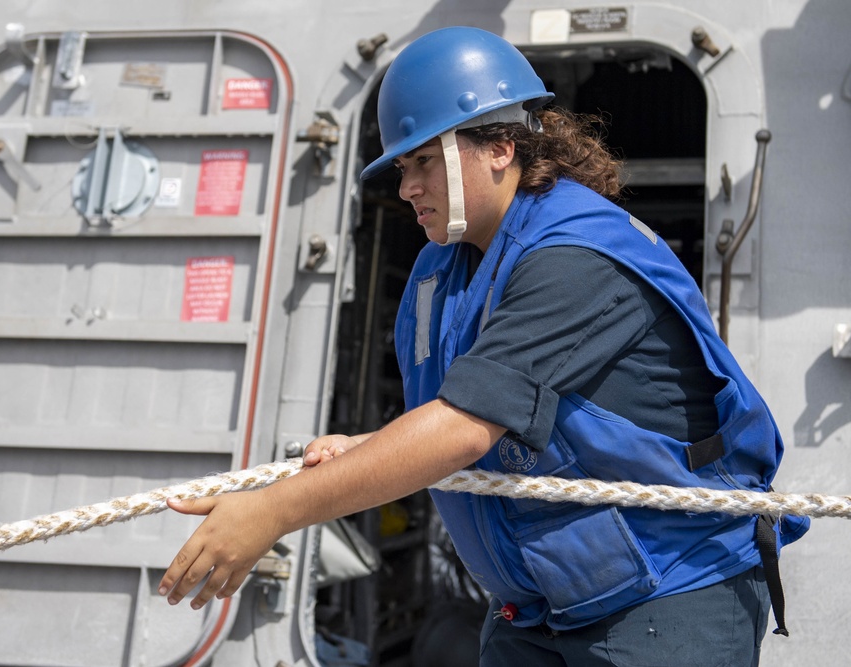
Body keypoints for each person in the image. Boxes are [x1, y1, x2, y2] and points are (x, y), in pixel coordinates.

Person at [159, 26, 808, 666]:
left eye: (423, 161)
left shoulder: (576, 253)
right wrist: (369, 450)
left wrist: (270, 512)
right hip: (536, 609)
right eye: (402, 168)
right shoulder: (439, 271)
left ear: (500, 147)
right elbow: (472, 414)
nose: (407, 186)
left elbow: (463, 429)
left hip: (668, 598)